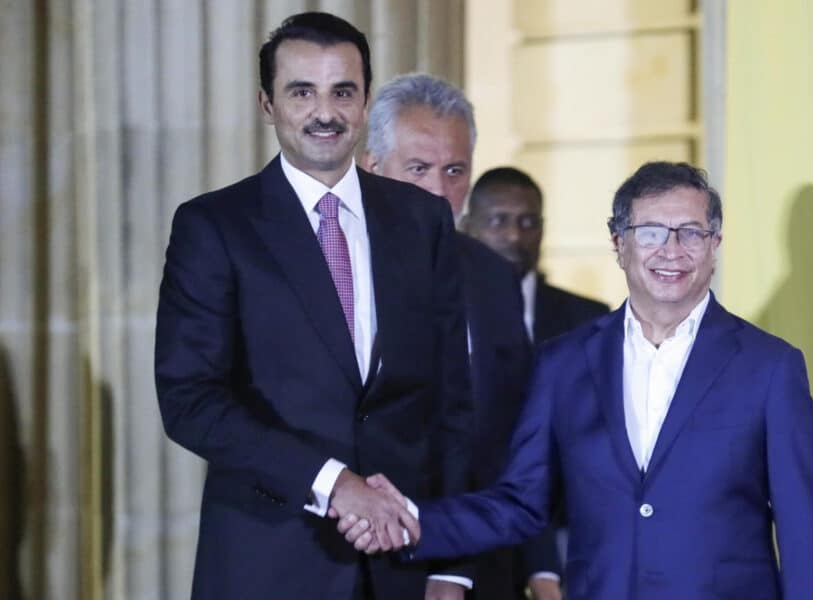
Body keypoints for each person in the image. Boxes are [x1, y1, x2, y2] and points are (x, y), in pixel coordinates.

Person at [344, 162, 813, 599]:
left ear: (714, 245)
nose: (671, 250)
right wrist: (409, 519)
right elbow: (521, 503)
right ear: (619, 243)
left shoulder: (770, 368)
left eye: (691, 232)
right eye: (650, 231)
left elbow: (807, 537)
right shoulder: (565, 363)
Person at [154, 13, 474, 599]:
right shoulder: (215, 226)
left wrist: (450, 564)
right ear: (267, 104)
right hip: (269, 563)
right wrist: (334, 484)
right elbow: (189, 400)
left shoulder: (422, 220)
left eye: (342, 92)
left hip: (404, 564)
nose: (325, 113)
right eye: (302, 92)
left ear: (365, 102)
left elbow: (452, 400)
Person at [360, 73, 563, 600]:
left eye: (454, 171)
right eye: (418, 168)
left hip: (471, 569)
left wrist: (462, 570)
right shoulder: (332, 269)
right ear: (371, 167)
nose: (438, 190)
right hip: (343, 565)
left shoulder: (493, 277)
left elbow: (512, 439)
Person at [463, 166, 609, 344]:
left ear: (542, 230)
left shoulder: (589, 321)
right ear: (467, 228)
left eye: (528, 222)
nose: (515, 235)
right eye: (498, 221)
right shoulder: (436, 314)